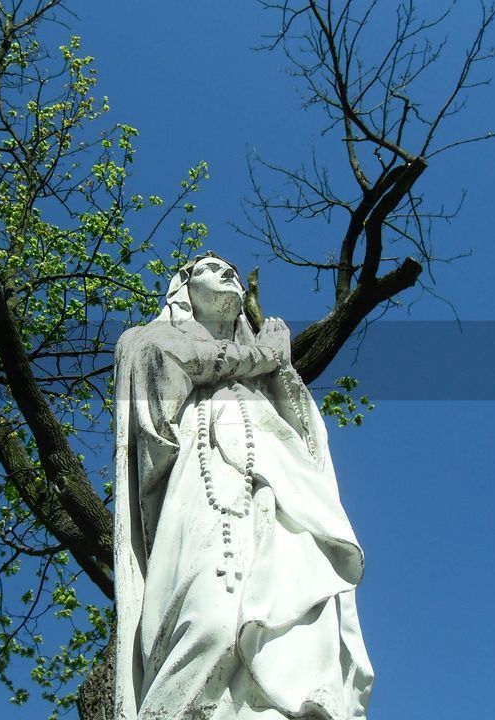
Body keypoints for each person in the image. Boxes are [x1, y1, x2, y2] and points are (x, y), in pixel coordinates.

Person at [112, 253, 373, 720]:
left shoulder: (267, 368)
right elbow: (162, 374)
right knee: (209, 622)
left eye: (232, 267)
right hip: (201, 479)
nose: (228, 271)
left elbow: (307, 435)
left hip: (279, 490)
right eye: (211, 267)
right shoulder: (147, 340)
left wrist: (279, 369)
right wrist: (264, 356)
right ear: (183, 289)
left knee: (293, 625)